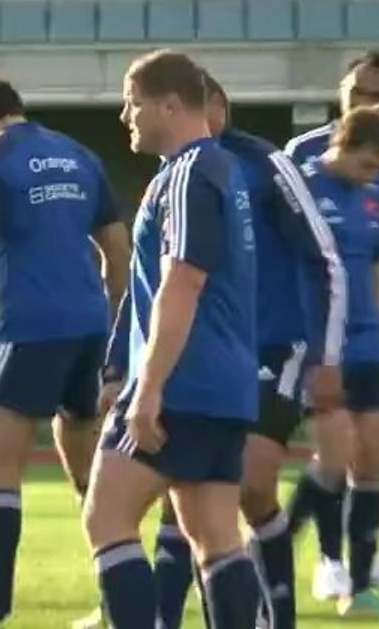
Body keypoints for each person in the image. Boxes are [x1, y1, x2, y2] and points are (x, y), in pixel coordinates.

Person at [0, 73, 130, 628]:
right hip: (89, 328)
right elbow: (116, 246)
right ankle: (113, 604)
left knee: (2, 466)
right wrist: (115, 323)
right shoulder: (79, 155)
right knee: (87, 464)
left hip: (31, 328)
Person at [146, 73, 346, 629]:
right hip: (205, 355)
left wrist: (326, 356)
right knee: (180, 493)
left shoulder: (264, 164)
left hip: (273, 348)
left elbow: (323, 256)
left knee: (252, 484)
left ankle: (276, 615)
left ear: (216, 104)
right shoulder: (174, 172)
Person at [81, 49, 261, 629]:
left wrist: (149, 386)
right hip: (225, 385)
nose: (125, 117)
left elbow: (184, 280)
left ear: (170, 104)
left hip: (184, 381)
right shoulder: (221, 172)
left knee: (106, 517)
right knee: (213, 535)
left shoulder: (189, 174)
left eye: (132, 103)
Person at [284, 49, 379, 596]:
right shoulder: (297, 178)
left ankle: (362, 581)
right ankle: (286, 548)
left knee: (370, 457)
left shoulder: (374, 197)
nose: (375, 178)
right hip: (317, 342)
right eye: (358, 93)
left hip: (369, 339)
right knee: (335, 455)